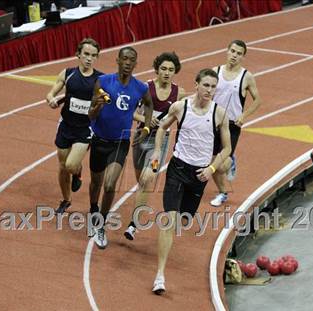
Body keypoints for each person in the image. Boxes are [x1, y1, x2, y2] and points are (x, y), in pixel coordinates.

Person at [150, 68, 231, 294]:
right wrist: (157, 152)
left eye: (213, 87)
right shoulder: (180, 107)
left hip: (200, 174)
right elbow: (161, 128)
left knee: (184, 220)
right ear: (196, 84)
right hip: (177, 168)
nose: (209, 90)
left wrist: (212, 168)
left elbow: (227, 148)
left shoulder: (219, 114)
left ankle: (179, 221)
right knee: (169, 220)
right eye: (206, 85)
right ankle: (160, 276)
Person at [88, 46, 153, 249]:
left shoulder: (141, 88)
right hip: (99, 140)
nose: (127, 62)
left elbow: (149, 105)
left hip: (120, 143)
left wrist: (147, 128)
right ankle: (93, 210)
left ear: (135, 64)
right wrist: (97, 104)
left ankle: (101, 225)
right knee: (96, 183)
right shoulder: (103, 81)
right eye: (124, 58)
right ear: (117, 60)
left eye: (131, 59)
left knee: (109, 185)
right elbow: (90, 114)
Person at [124, 52, 186, 241]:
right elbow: (130, 111)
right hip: (140, 137)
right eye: (164, 69)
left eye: (171, 70)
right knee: (140, 178)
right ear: (157, 69)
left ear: (175, 71)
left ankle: (133, 225)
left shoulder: (180, 93)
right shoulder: (144, 88)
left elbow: (182, 118)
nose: (167, 73)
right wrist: (145, 119)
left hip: (160, 141)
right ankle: (140, 206)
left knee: (145, 180)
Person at [46, 38, 102, 214]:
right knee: (62, 167)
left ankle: (77, 172)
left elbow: (105, 100)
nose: (89, 59)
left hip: (85, 128)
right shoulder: (68, 73)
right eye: (86, 54)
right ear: (78, 54)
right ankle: (66, 199)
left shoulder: (100, 79)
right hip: (66, 126)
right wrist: (52, 100)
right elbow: (51, 93)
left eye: (93, 56)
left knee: (70, 165)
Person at [210, 39, 262, 207]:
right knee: (209, 164)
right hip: (213, 123)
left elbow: (257, 101)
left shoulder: (246, 77)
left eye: (239, 53)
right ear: (227, 51)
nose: (234, 55)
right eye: (232, 51)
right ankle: (223, 192)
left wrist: (244, 116)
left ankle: (230, 160)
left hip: (232, 126)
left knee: (221, 166)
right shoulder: (215, 72)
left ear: (243, 57)